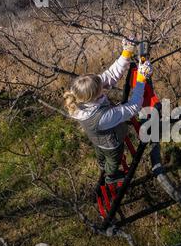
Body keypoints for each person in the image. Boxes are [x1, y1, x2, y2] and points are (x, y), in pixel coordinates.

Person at [63, 38, 153, 204]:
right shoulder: (102, 117)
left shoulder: (82, 97)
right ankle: (111, 176)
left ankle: (103, 166)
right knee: (113, 160)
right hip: (111, 142)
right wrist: (141, 79)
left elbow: (110, 75)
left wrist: (126, 53)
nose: (103, 83)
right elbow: (133, 107)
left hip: (97, 139)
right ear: (96, 95)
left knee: (101, 154)